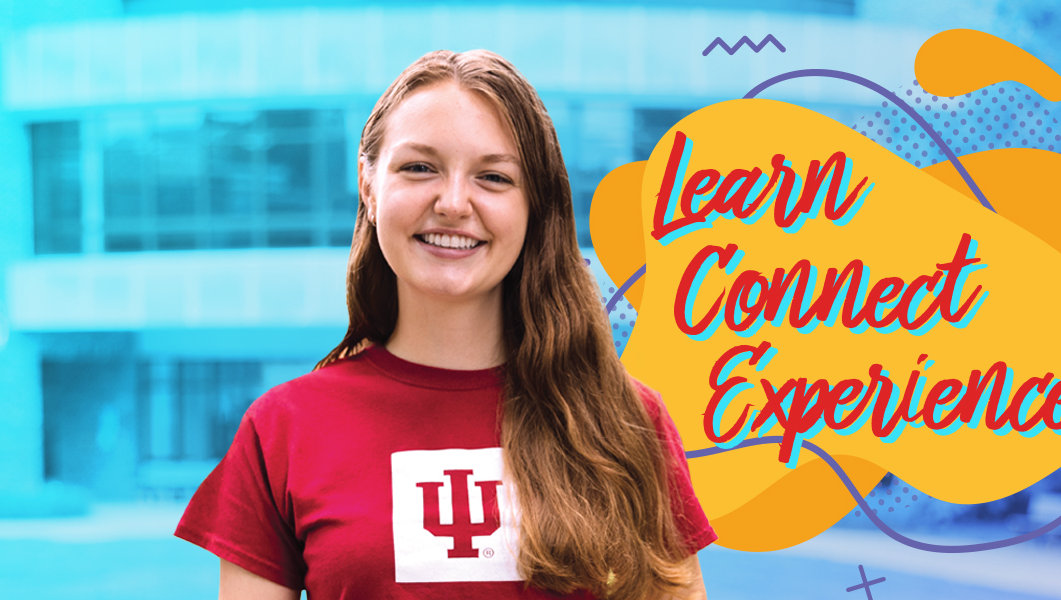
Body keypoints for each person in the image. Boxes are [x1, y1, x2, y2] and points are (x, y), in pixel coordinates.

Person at [174, 49, 715, 600]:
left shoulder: (625, 421)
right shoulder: (284, 429)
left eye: (494, 177)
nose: (454, 203)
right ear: (368, 185)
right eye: (419, 167)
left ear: (535, 205)